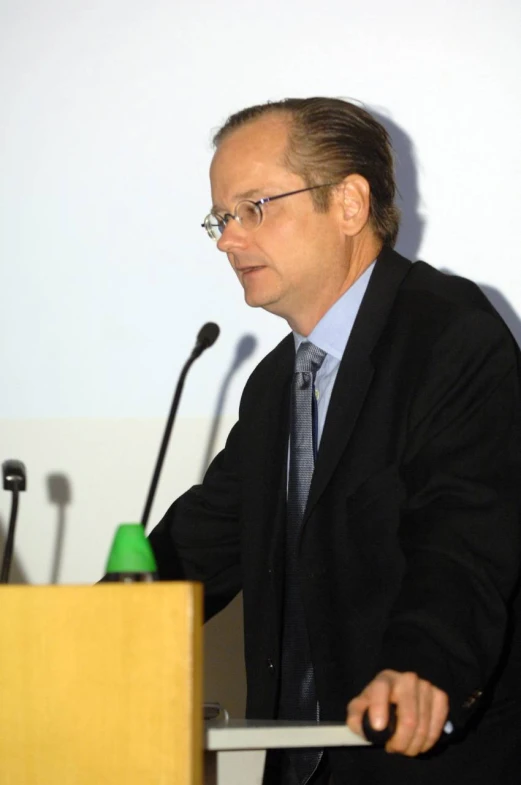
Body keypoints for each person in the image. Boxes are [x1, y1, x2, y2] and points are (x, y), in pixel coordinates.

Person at [148, 97, 521, 784]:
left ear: (348, 205)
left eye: (253, 207)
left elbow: (461, 535)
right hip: (304, 763)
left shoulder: (450, 337)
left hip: (423, 762)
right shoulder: (274, 382)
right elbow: (206, 538)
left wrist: (421, 663)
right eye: (221, 218)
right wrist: (87, 619)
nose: (228, 240)